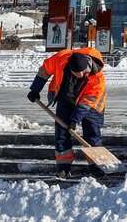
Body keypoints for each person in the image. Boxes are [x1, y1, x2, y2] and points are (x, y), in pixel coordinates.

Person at [27, 48, 106, 178]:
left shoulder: (97, 78)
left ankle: (96, 166)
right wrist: (35, 89)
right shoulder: (60, 59)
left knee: (92, 133)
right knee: (61, 133)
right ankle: (63, 167)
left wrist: (74, 120)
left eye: (82, 72)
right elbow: (44, 70)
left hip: (92, 105)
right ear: (69, 66)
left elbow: (86, 102)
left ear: (87, 65)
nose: (80, 75)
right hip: (66, 98)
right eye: (76, 72)